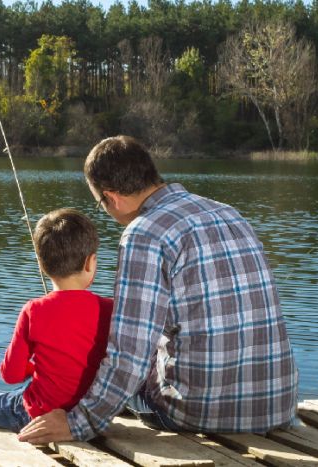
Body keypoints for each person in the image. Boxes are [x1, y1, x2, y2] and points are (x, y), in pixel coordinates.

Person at [18, 135, 298, 443]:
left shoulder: (144, 234)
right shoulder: (229, 213)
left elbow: (129, 355)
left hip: (199, 413)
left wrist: (79, 423)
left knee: (90, 371)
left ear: (112, 198)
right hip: (276, 406)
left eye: (100, 204)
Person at [0, 208, 114, 432]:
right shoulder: (110, 309)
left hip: (38, 414)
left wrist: (32, 367)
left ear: (42, 264)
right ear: (90, 263)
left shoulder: (33, 310)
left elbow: (11, 374)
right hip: (90, 413)